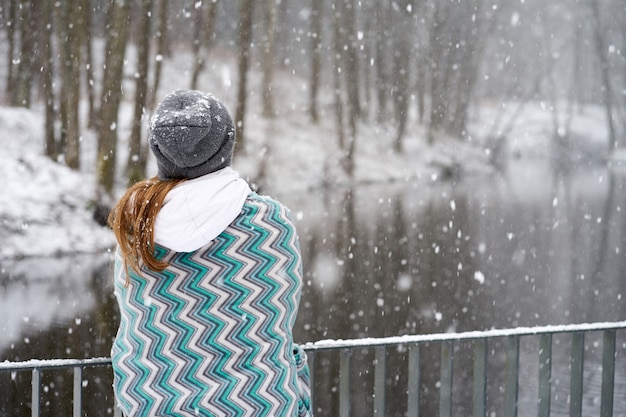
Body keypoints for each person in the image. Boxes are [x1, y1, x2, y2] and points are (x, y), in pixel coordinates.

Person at [107, 89, 312, 417]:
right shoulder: (270, 221)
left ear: (158, 150)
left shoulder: (136, 227)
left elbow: (134, 324)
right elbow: (280, 317)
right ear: (227, 144)